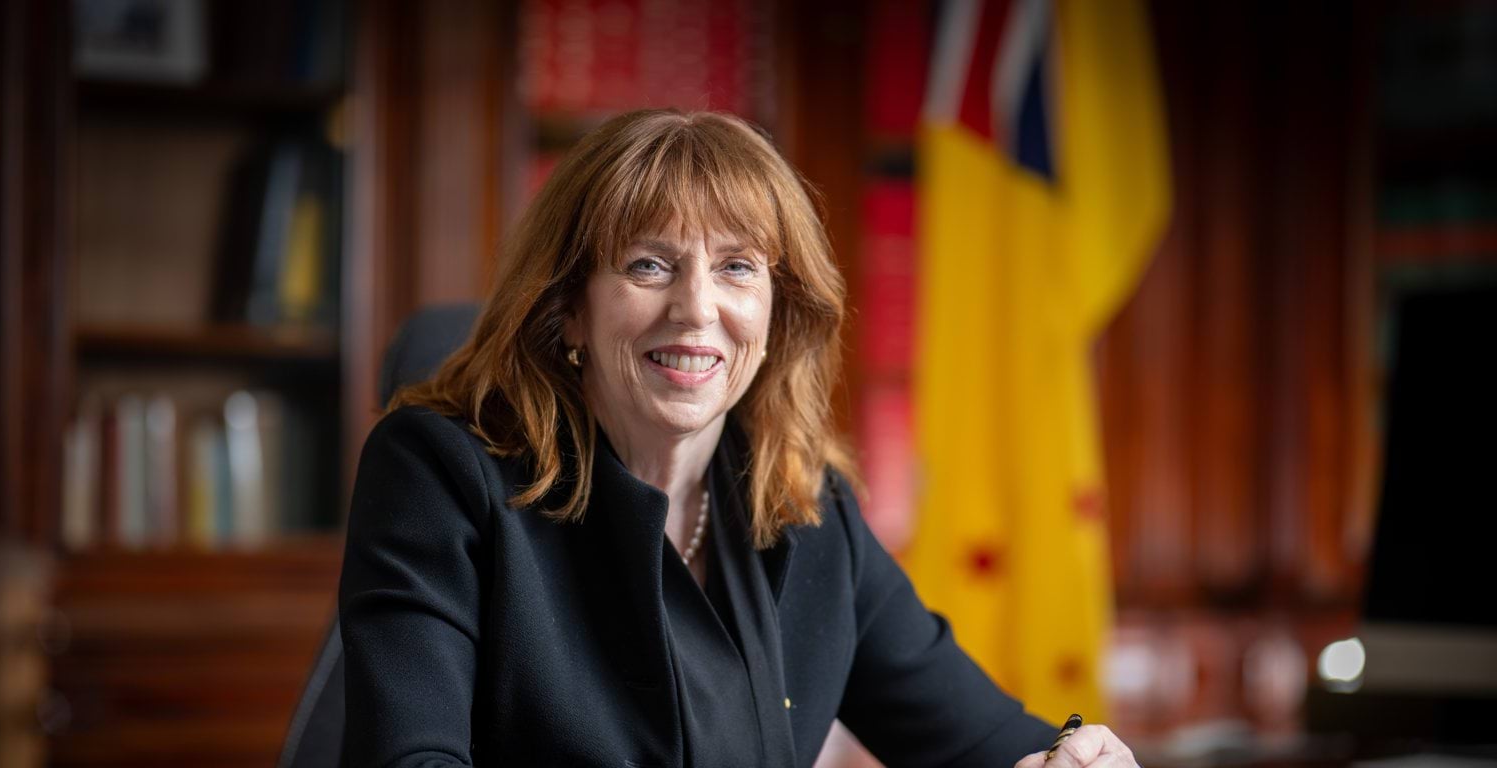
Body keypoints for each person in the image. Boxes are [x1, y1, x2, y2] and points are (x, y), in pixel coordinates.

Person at [338, 109, 1139, 768]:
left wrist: (1071, 756)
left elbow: (981, 741)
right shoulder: (439, 473)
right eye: (649, 265)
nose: (697, 308)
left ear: (776, 315)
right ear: (568, 309)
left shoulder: (806, 504)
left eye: (737, 268)